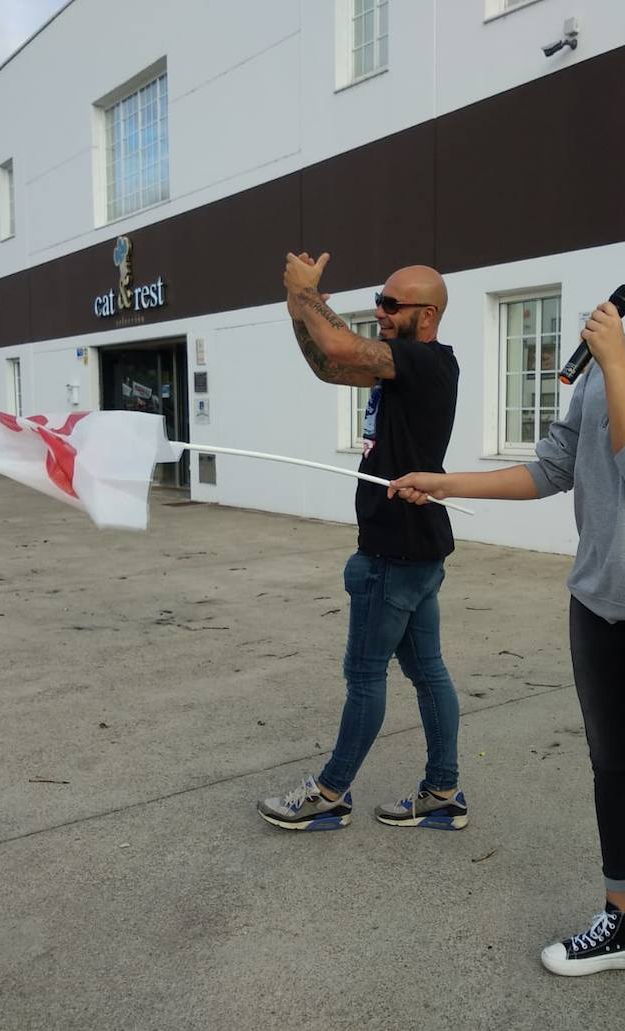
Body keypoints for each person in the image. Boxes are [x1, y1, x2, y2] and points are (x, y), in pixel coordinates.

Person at [390, 210, 625, 1031]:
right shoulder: (611, 357)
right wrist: (446, 483)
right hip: (599, 596)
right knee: (610, 766)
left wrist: (614, 366)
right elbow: (557, 465)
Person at [256, 253, 470, 834]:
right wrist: (295, 300)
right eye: (378, 300)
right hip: (415, 547)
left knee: (365, 674)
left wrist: (308, 292)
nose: (380, 311)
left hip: (394, 551)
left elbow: (343, 347)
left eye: (391, 305)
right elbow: (328, 362)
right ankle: (443, 791)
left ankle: (329, 791)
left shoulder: (424, 361)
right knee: (428, 672)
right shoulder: (403, 366)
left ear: (427, 316)